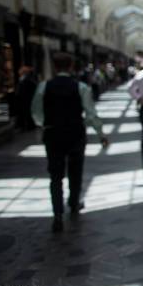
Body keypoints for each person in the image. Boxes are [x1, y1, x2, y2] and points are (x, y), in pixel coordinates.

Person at [31, 53, 109, 233]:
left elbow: (36, 111)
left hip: (53, 135)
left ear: (55, 67)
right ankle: (74, 203)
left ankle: (57, 215)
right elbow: (91, 114)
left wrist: (46, 124)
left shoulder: (44, 87)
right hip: (75, 134)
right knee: (76, 171)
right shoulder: (81, 87)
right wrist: (101, 134)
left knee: (55, 175)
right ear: (72, 66)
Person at [15, 66, 38, 131]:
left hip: (26, 99)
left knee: (27, 113)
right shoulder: (23, 79)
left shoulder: (27, 79)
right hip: (24, 99)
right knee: (25, 113)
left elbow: (32, 88)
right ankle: (26, 126)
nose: (19, 72)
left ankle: (28, 126)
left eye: (20, 71)